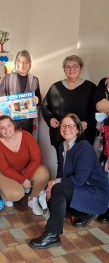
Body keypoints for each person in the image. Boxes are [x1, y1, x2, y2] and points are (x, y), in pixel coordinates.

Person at [29, 114, 109, 249]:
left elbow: (79, 179)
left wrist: (54, 183)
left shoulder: (84, 147)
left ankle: (52, 234)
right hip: (81, 189)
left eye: (71, 126)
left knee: (57, 190)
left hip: (95, 192)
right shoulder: (62, 146)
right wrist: (50, 187)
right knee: (51, 200)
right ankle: (85, 214)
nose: (66, 129)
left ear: (78, 129)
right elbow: (61, 172)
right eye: (63, 126)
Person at [41, 55, 96, 164]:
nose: (71, 69)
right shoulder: (55, 88)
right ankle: (61, 181)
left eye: (75, 66)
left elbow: (97, 111)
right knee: (63, 165)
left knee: (82, 165)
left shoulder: (90, 87)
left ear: (80, 69)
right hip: (60, 134)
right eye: (68, 67)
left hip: (83, 134)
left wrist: (88, 123)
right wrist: (50, 119)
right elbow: (44, 106)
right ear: (64, 69)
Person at [0, 115, 50, 215]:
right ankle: (5, 193)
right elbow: (5, 169)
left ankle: (33, 200)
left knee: (44, 172)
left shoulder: (26, 136)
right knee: (16, 194)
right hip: (3, 173)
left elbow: (36, 159)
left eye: (9, 125)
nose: (7, 130)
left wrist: (25, 178)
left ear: (13, 125)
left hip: (23, 170)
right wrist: (23, 181)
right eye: (2, 127)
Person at [0, 50, 41, 133]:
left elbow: (39, 99)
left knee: (24, 143)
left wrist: (37, 100)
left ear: (30, 64)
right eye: (21, 62)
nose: (23, 65)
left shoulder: (34, 80)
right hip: (10, 122)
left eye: (27, 62)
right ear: (16, 62)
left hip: (27, 123)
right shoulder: (8, 78)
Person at [94, 77, 109, 223]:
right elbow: (100, 106)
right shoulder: (104, 82)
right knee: (106, 174)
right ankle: (106, 207)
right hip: (107, 136)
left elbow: (105, 105)